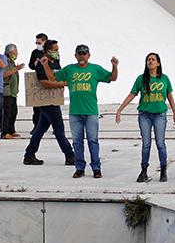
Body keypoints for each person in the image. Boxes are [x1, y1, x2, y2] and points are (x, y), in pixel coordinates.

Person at [39, 44, 117, 178]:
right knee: (77, 141)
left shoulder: (95, 69)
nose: (82, 56)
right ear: (75, 55)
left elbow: (112, 78)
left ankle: (96, 168)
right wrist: (45, 65)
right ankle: (79, 168)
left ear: (88, 56)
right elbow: (53, 78)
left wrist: (115, 66)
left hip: (91, 112)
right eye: (79, 54)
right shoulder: (70, 69)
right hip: (75, 112)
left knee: (93, 140)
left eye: (84, 54)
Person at [115, 53, 175, 183]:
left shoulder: (164, 79)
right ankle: (144, 170)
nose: (150, 61)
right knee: (146, 143)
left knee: (160, 143)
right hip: (145, 115)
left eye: (153, 60)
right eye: (148, 60)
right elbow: (132, 94)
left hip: (160, 114)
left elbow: (170, 96)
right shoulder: (141, 79)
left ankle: (163, 170)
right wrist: (120, 109)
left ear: (158, 63)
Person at [23, 39, 76, 166]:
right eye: (55, 50)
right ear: (48, 51)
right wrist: (64, 83)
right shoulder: (41, 63)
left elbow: (58, 75)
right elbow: (44, 83)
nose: (57, 52)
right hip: (46, 101)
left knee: (41, 128)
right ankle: (70, 155)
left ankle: (29, 154)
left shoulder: (56, 62)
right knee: (59, 129)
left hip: (54, 99)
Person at [1, 44, 24, 139]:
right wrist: (16, 69)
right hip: (7, 92)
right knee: (6, 113)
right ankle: (4, 132)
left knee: (13, 112)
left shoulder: (12, 62)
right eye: (15, 52)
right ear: (10, 53)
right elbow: (4, 74)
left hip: (13, 92)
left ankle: (11, 130)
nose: (17, 54)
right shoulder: (5, 62)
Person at [28, 33, 49, 126]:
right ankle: (36, 125)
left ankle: (53, 125)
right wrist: (35, 63)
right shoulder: (35, 52)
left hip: (48, 80)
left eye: (39, 43)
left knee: (50, 105)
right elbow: (30, 65)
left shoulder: (51, 51)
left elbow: (57, 65)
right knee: (36, 107)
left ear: (45, 42)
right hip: (37, 80)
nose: (37, 45)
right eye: (36, 42)